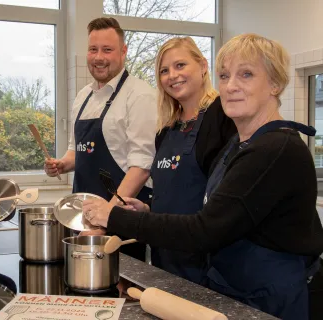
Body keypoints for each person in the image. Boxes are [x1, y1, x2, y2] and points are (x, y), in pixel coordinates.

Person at [82, 33, 323, 320]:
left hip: (273, 299)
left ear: (275, 83)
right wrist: (147, 210)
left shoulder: (275, 149)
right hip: (234, 288)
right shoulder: (240, 144)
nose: (231, 86)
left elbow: (206, 229)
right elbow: (219, 209)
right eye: (225, 75)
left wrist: (112, 216)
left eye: (246, 74)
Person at [44, 17, 157, 261]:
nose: (99, 57)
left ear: (123, 52)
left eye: (107, 50)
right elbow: (78, 150)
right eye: (93, 49)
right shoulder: (83, 96)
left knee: (122, 290)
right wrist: (63, 164)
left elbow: (141, 167)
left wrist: (106, 216)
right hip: (83, 216)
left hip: (121, 219)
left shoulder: (140, 95)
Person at [143, 37, 235, 285]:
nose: (172, 75)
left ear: (203, 66)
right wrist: (148, 211)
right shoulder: (166, 130)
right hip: (165, 257)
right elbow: (173, 192)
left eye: (180, 65)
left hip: (206, 264)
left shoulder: (223, 118)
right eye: (164, 71)